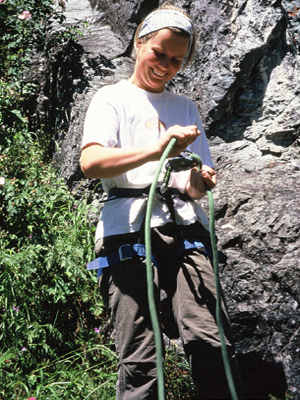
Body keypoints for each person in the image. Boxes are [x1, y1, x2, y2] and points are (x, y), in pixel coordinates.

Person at [81, 3, 241, 399]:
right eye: (159, 53)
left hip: (185, 228)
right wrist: (158, 151)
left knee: (210, 341)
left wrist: (201, 182)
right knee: (140, 355)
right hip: (127, 230)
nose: (166, 65)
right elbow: (92, 162)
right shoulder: (111, 98)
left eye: (176, 60)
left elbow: (190, 186)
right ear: (139, 43)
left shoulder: (185, 108)